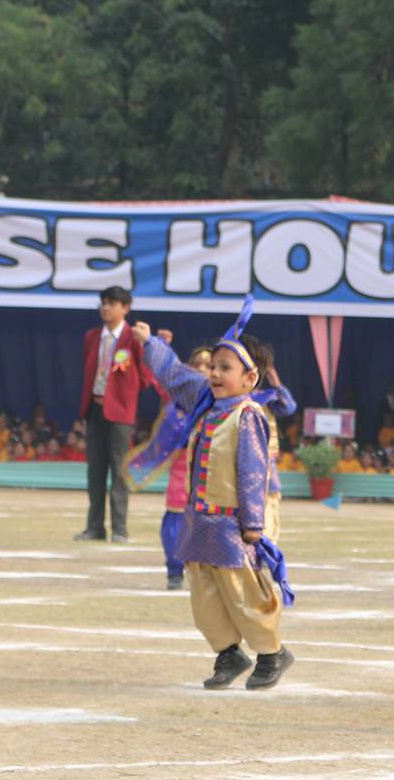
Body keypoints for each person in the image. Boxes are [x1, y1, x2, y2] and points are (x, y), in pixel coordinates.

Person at [130, 304, 298, 691]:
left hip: (234, 522)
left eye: (226, 368)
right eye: (213, 367)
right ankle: (228, 653)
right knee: (204, 591)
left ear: (250, 378)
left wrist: (253, 524)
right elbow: (176, 375)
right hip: (201, 518)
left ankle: (271, 653)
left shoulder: (248, 415)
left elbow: (253, 472)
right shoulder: (206, 404)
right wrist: (151, 343)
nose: (216, 374)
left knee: (242, 589)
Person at [75, 285, 153, 544]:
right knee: (95, 471)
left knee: (119, 470)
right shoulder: (91, 336)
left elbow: (146, 376)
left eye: (112, 303)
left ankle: (120, 528)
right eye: (104, 303)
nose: (106, 308)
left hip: (120, 411)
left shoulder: (133, 338)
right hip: (94, 408)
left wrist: (125, 392)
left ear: (125, 308)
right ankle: (94, 527)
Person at [147, 342, 215, 591]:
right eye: (197, 365)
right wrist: (160, 345)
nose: (203, 369)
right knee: (175, 515)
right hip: (183, 461)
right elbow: (162, 378)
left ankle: (209, 570)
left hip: (213, 462)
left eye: (209, 365)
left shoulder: (224, 397)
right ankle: (174, 570)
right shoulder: (179, 399)